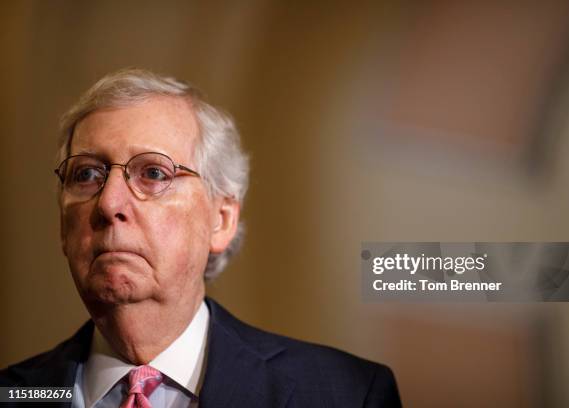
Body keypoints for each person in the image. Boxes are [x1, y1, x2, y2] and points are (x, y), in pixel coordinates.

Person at [0, 69, 401, 407]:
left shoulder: (346, 394)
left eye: (153, 173)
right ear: (62, 227)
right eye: (86, 174)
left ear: (220, 220)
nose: (108, 204)